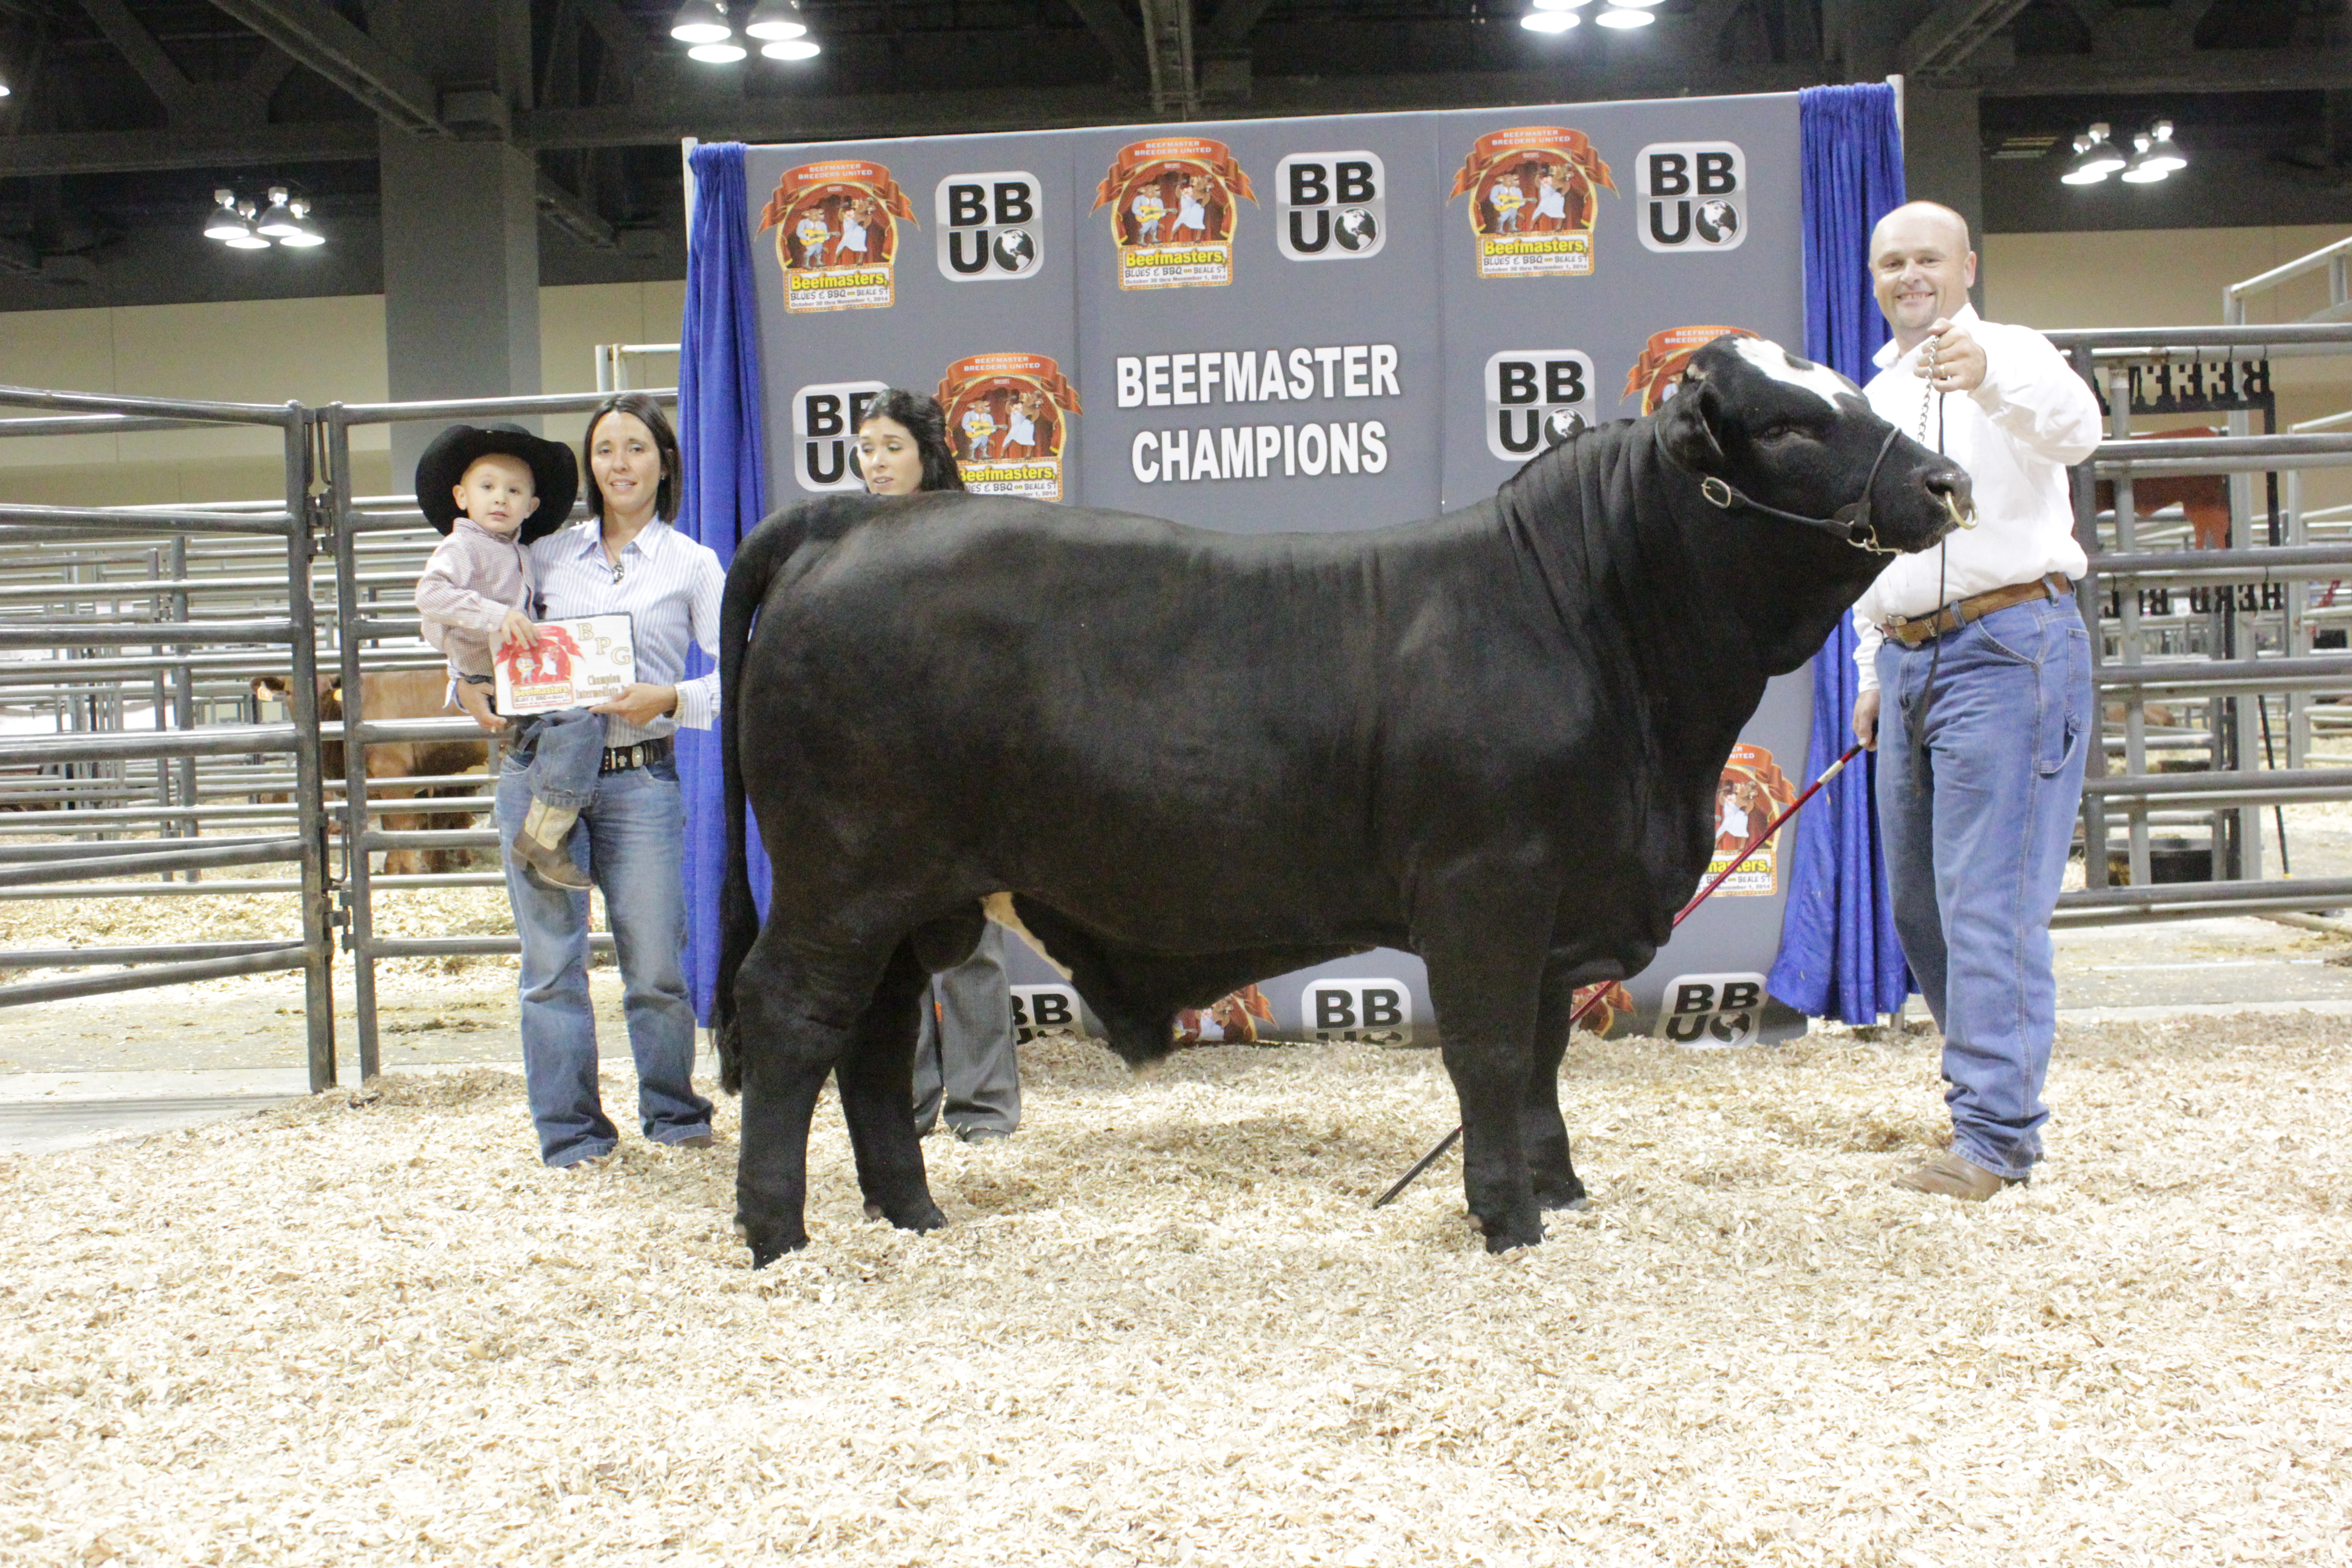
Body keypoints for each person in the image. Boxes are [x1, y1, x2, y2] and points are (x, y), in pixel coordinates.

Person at [1849, 201, 2102, 1201]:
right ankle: (1985, 1103)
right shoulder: (1878, 388)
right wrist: (1873, 670)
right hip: (1912, 659)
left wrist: (1991, 378)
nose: (1910, 276)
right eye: (1891, 263)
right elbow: (1873, 548)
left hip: (2010, 646)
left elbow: (2079, 433)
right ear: (1875, 279)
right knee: (1921, 906)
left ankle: (1996, 1138)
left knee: (1987, 903)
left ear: (1968, 267)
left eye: (1927, 260)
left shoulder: (2016, 354)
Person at [454, 392, 723, 1171]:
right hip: (538, 772)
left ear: (663, 462)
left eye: (635, 447)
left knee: (657, 966)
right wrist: (461, 684)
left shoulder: (692, 564)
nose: (619, 464)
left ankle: (673, 1113)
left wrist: (669, 697)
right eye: (605, 449)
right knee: (549, 966)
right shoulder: (540, 557)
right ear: (589, 465)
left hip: (641, 778)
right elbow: (475, 625)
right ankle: (570, 1133)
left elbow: (736, 665)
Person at [855, 388, 1022, 1142]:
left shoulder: (968, 535)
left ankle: (983, 1109)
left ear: (927, 453)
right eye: (866, 448)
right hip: (878, 763)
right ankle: (909, 1104)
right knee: (892, 945)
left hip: (958, 763)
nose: (877, 462)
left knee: (972, 941)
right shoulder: (849, 540)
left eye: (891, 446)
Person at [412, 423, 604, 894]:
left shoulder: (523, 552)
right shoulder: (462, 546)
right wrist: (494, 618)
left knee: (565, 730)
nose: (500, 498)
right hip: (491, 674)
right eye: (487, 487)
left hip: (517, 676)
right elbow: (430, 596)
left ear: (532, 506)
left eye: (514, 490)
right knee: (578, 724)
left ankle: (544, 827)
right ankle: (544, 833)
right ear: (462, 497)